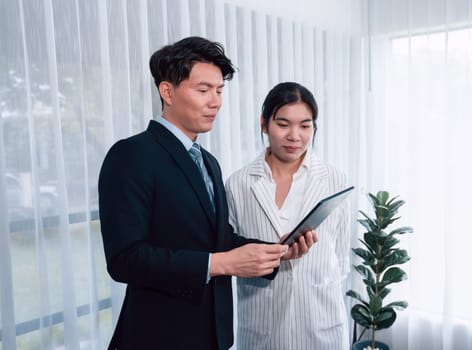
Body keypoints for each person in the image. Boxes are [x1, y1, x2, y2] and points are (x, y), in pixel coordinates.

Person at [98, 37, 316, 350]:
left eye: (219, 90)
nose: (215, 102)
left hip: (212, 336)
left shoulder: (208, 162)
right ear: (167, 92)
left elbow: (218, 239)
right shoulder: (132, 155)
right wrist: (221, 264)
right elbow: (125, 259)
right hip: (158, 337)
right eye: (203, 90)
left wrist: (277, 253)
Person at [225, 82, 351, 350]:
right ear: (264, 123)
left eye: (305, 126)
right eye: (283, 124)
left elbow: (340, 258)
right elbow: (231, 253)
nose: (295, 136)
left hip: (322, 327)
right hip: (262, 327)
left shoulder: (334, 179)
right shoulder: (238, 184)